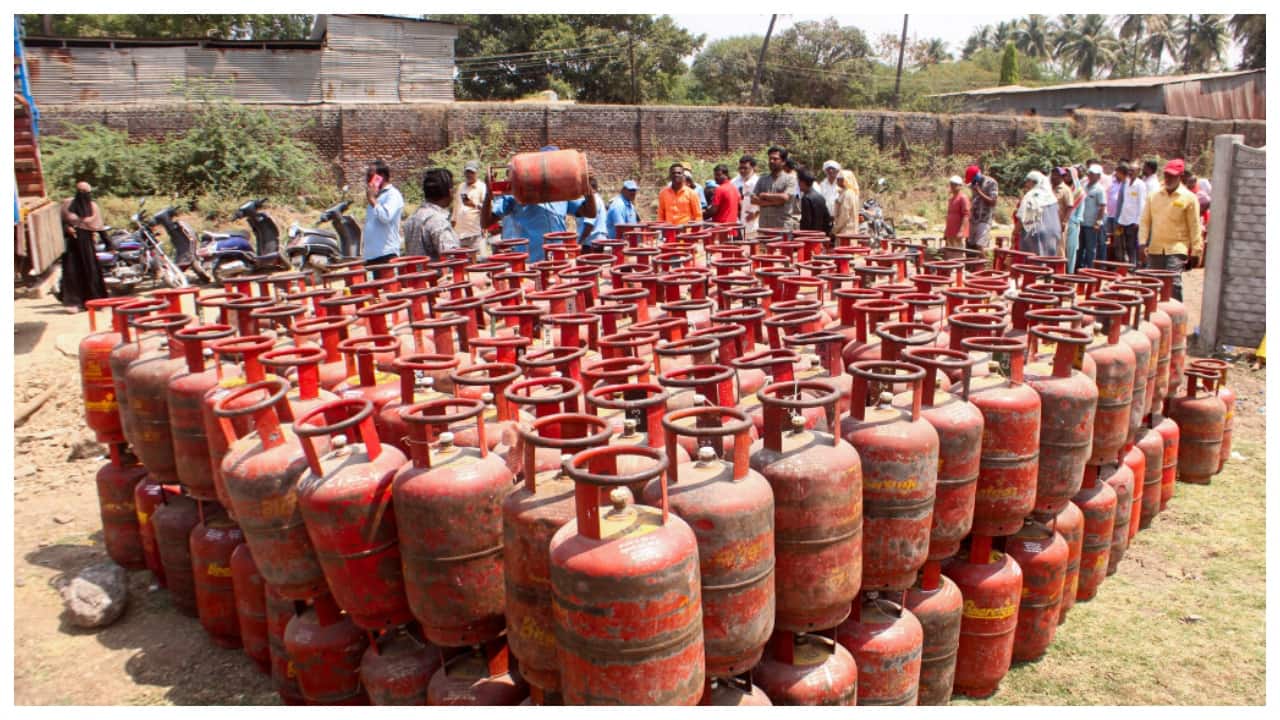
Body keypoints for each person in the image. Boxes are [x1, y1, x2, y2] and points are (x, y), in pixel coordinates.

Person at [481, 146, 597, 263]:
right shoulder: (516, 193)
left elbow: (590, 213)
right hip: (530, 261)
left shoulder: (563, 195)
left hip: (558, 258)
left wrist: (586, 185)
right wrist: (488, 194)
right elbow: (486, 222)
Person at [1141, 158, 1203, 302]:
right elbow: (1145, 222)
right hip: (1155, 247)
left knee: (1173, 284)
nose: (1168, 178)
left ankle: (1175, 313)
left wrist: (1196, 251)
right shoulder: (1154, 196)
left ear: (1181, 177)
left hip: (1176, 248)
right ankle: (1153, 312)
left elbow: (1194, 226)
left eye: (1172, 176)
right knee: (1151, 282)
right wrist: (1142, 243)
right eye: (1166, 175)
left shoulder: (1189, 198)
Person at [58, 181, 109, 311]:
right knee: (72, 274)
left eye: (86, 192)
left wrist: (109, 244)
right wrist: (67, 229)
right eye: (80, 191)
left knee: (91, 273)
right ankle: (74, 303)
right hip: (72, 247)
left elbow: (100, 227)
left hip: (87, 246)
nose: (83, 195)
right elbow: (60, 223)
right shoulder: (67, 206)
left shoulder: (93, 207)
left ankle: (96, 302)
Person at [404, 167, 461, 260]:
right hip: (434, 269)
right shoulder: (438, 222)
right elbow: (451, 258)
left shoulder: (412, 218)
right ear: (450, 192)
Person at [363, 159, 405, 264]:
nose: (368, 180)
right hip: (372, 255)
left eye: (370, 176)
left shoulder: (392, 194)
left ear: (381, 176)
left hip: (386, 253)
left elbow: (386, 217)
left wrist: (372, 200)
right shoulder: (377, 196)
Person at [753, 146, 801, 231]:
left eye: (775, 159)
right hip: (764, 227)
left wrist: (764, 195)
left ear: (783, 162)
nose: (771, 161)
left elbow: (784, 197)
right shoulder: (762, 179)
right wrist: (776, 202)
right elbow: (753, 199)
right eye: (770, 159)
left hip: (782, 227)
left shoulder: (790, 179)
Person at [1017, 171, 1061, 257]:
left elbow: (1022, 217)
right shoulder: (1051, 197)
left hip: (1036, 233)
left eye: (1027, 181)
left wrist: (1015, 232)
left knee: (1035, 260)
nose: (1026, 184)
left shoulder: (1031, 196)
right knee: (1049, 259)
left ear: (1033, 182)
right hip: (1054, 232)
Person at [452, 160, 487, 257]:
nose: (469, 175)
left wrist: (474, 204)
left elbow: (487, 208)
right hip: (460, 234)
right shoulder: (461, 187)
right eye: (467, 172)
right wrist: (453, 224)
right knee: (462, 261)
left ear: (476, 173)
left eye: (472, 172)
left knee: (478, 261)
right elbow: (456, 207)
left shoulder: (482, 187)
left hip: (475, 233)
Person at [1115, 162, 1146, 266]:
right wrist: (1120, 219)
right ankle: (1127, 264)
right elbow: (1125, 203)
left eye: (1133, 170)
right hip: (1124, 219)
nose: (1130, 172)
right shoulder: (1127, 183)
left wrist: (1138, 221)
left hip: (1133, 221)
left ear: (1138, 172)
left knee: (1131, 244)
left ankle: (1134, 264)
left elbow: (1141, 204)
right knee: (1124, 244)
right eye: (1129, 170)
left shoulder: (1140, 185)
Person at [1077, 164, 1108, 269]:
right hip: (1082, 222)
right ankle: (1079, 268)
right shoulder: (1084, 186)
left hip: (1092, 224)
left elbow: (1102, 206)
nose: (1090, 175)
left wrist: (1098, 222)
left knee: (1091, 248)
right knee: (1080, 247)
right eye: (1089, 173)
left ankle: (1090, 269)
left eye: (1093, 174)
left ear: (1098, 176)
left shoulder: (1099, 189)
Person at [964, 164, 998, 250]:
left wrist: (979, 192)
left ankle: (983, 259)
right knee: (970, 245)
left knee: (980, 245)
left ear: (977, 175)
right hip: (973, 219)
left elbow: (993, 202)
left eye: (972, 179)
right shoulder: (973, 185)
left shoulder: (991, 183)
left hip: (985, 219)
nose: (971, 182)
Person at [797, 167, 832, 235]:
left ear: (803, 182)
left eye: (799, 181)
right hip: (820, 235)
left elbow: (806, 221)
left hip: (810, 236)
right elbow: (827, 218)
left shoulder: (806, 198)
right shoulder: (820, 197)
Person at [1064, 167, 1086, 273]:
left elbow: (1080, 211)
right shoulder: (1061, 189)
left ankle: (1070, 272)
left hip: (1072, 224)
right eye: (1065, 175)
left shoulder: (1079, 191)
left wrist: (1074, 220)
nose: (1066, 177)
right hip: (1060, 222)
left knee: (1071, 249)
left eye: (1069, 175)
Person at [733, 155, 760, 236]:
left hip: (755, 225)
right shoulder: (735, 182)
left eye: (745, 168)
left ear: (753, 168)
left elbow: (766, 203)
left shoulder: (758, 183)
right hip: (740, 223)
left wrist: (756, 214)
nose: (742, 171)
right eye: (740, 168)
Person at [578, 177, 608, 250]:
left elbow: (589, 225)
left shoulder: (593, 201)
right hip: (594, 241)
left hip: (591, 243)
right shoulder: (597, 199)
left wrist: (579, 241)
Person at [832, 170, 862, 237]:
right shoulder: (847, 192)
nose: (837, 180)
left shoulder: (848, 194)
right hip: (849, 230)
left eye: (840, 179)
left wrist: (835, 229)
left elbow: (844, 215)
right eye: (837, 178)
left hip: (846, 230)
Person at [943, 175, 970, 248]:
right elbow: (949, 216)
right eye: (951, 184)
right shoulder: (951, 199)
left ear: (960, 186)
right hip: (950, 232)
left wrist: (961, 231)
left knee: (958, 251)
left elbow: (966, 215)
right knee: (949, 251)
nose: (952, 186)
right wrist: (946, 231)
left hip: (958, 232)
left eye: (955, 184)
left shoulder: (963, 198)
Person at [1051, 167, 1073, 239]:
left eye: (1056, 175)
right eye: (1053, 174)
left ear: (1062, 177)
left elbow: (1070, 207)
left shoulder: (1066, 190)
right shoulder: (1049, 188)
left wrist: (1064, 222)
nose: (1053, 177)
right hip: (1049, 222)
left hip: (1059, 223)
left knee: (1060, 243)